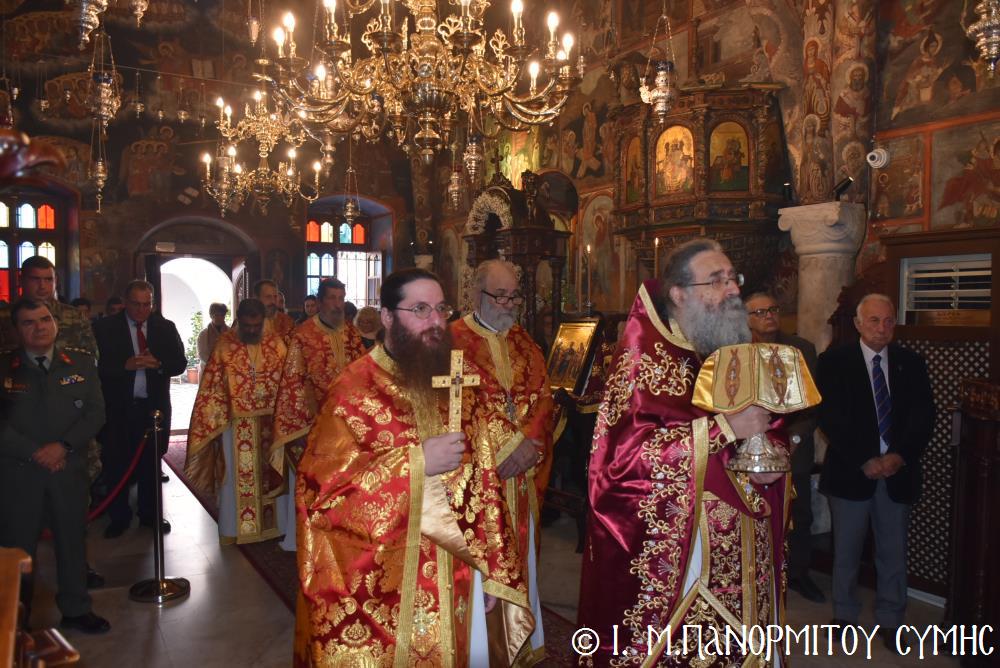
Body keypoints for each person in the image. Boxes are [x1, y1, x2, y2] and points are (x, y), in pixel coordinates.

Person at [295, 268, 535, 666]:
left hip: (462, 572)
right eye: (420, 309)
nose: (436, 321)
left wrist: (491, 566)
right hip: (389, 590)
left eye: (441, 309)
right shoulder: (352, 390)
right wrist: (417, 462)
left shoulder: (457, 380)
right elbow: (321, 498)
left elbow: (485, 485)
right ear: (387, 317)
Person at [578, 238, 789, 665]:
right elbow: (621, 465)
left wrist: (768, 457)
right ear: (678, 294)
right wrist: (724, 429)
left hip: (743, 549)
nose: (733, 289)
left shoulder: (727, 348)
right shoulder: (643, 362)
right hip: (685, 559)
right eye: (717, 281)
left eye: (733, 278)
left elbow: (766, 422)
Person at [817, 293, 934, 652]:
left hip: (897, 473)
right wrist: (865, 459)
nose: (882, 328)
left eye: (888, 321)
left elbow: (923, 417)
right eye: (873, 320)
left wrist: (899, 456)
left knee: (892, 552)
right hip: (852, 472)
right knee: (847, 551)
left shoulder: (911, 363)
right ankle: (845, 616)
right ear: (857, 324)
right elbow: (831, 418)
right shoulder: (834, 362)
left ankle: (892, 619)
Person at [449, 259, 553, 659]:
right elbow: (455, 409)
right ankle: (484, 649)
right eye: (500, 295)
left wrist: (530, 447)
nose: (509, 304)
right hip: (478, 480)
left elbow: (544, 399)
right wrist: (508, 446)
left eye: (514, 296)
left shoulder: (525, 343)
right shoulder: (452, 341)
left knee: (522, 555)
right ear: (476, 294)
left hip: (522, 476)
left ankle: (522, 643)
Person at [0, 300, 110, 633]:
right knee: (18, 548)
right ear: (16, 330)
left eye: (45, 319)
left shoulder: (81, 362)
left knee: (72, 542)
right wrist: (35, 452)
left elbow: (95, 414)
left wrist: (62, 447)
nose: (40, 327)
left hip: (67, 469)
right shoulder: (5, 367)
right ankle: (15, 619)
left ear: (55, 323)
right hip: (19, 473)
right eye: (29, 322)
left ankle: (76, 609)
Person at [185, 298, 289, 545]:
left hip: (270, 422)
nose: (252, 330)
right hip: (236, 425)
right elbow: (211, 388)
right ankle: (233, 529)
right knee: (233, 476)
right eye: (247, 325)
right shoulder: (224, 345)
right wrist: (216, 418)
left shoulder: (276, 344)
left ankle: (275, 527)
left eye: (256, 325)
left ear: (263, 321)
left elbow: (288, 383)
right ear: (239, 321)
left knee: (273, 471)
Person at [271, 278, 364, 550]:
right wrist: (307, 421)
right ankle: (304, 539)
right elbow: (293, 381)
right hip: (313, 423)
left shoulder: (350, 333)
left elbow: (362, 372)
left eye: (341, 298)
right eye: (332, 298)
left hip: (347, 422)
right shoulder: (303, 335)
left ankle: (342, 535)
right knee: (311, 481)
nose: (337, 304)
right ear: (320, 301)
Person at [745, 292, 824, 603]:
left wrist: (792, 439)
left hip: (792, 446)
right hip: (748, 446)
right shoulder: (734, 350)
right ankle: (755, 574)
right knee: (753, 512)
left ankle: (799, 574)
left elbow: (812, 404)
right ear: (746, 320)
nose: (769, 316)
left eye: (773, 309)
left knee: (798, 514)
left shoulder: (801, 349)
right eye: (760, 312)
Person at [94, 280, 186, 538]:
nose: (141, 310)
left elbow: (180, 363)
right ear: (125, 302)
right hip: (119, 408)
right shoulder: (104, 328)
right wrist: (124, 366)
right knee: (117, 463)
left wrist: (159, 364)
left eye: (147, 305)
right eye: (136, 304)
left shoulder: (165, 327)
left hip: (153, 408)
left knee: (150, 464)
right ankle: (119, 517)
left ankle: (150, 514)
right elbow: (95, 368)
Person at [0, 256, 97, 356]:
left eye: (48, 279)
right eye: (35, 279)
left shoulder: (75, 315)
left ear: (56, 281)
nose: (42, 286)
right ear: (21, 280)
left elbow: (91, 356)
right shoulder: (4, 316)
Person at [197, 302, 229, 366]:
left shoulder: (230, 332)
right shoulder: (203, 334)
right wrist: (216, 364)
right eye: (216, 315)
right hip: (208, 368)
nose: (219, 317)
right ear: (211, 316)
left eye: (222, 315)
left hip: (227, 368)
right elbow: (202, 354)